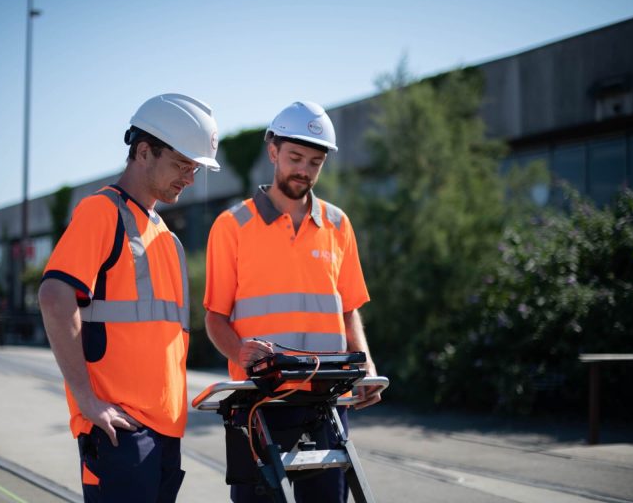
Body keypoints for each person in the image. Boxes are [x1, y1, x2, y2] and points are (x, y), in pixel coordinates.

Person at [38, 93, 220, 503]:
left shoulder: (166, 237)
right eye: (181, 164)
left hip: (164, 434)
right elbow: (54, 296)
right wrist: (86, 399)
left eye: (195, 168)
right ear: (143, 151)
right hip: (120, 431)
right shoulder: (102, 212)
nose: (189, 177)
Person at [203, 101, 381, 502]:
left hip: (326, 399)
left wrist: (365, 360)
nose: (304, 170)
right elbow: (215, 317)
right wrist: (238, 350)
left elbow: (349, 307)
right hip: (259, 402)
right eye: (295, 157)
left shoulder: (337, 224)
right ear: (273, 152)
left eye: (314, 162)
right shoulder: (232, 227)